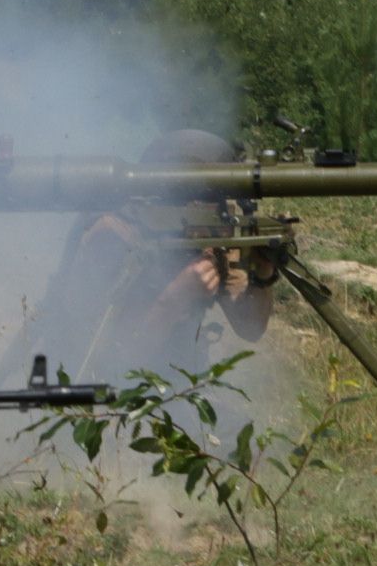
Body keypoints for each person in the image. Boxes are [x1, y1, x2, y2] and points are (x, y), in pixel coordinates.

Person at [15, 129, 272, 383]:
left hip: (170, 384)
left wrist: (262, 274)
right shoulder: (113, 237)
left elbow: (251, 330)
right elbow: (111, 363)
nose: (215, 212)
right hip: (91, 390)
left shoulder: (216, 238)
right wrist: (174, 298)